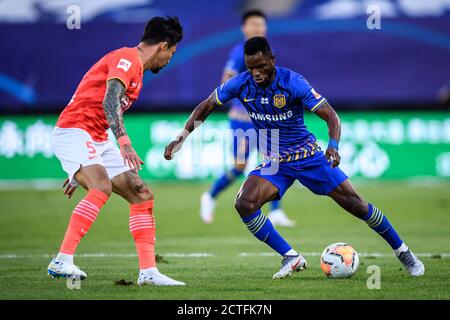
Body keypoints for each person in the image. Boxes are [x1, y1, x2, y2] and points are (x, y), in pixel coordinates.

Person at [164, 37, 425, 279]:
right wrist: (182, 137)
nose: (256, 73)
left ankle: (404, 252)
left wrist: (333, 146)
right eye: (251, 67)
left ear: (272, 60)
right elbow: (207, 105)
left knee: (358, 206)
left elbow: (331, 116)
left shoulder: (293, 82)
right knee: (245, 203)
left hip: (309, 156)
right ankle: (290, 257)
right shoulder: (241, 83)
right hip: (275, 161)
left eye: (261, 66)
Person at [48, 16, 185, 286]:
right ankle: (62, 260)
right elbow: (110, 97)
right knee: (101, 185)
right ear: (164, 45)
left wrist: (83, 166)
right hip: (75, 129)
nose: (170, 59)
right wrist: (123, 141)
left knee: (141, 193)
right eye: (172, 52)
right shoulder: (128, 59)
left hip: (95, 137)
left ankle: (148, 272)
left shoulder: (138, 72)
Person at [201, 10, 295, 227]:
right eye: (253, 24)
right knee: (239, 167)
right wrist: (240, 101)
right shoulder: (239, 52)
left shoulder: (266, 50)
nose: (257, 28)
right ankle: (210, 195)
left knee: (273, 162)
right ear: (244, 28)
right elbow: (227, 79)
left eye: (260, 24)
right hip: (243, 119)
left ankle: (276, 211)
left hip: (264, 117)